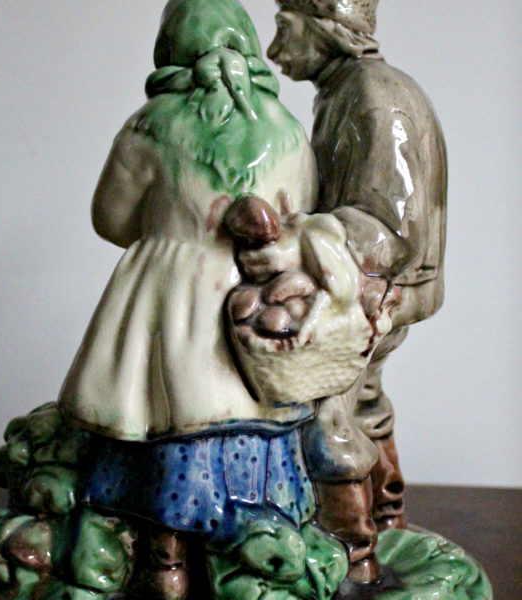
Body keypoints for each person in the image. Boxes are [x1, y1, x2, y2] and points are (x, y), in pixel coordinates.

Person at [58, 1, 325, 597]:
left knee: (153, 416)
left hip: (162, 295)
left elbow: (111, 218)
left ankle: (166, 564)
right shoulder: (285, 128)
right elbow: (304, 213)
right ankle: (244, 555)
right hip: (253, 299)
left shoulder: (149, 126)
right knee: (247, 420)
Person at [267, 0, 447, 584]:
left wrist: (293, 237)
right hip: (382, 287)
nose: (274, 50)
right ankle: (388, 516)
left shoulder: (373, 97)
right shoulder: (349, 90)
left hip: (383, 292)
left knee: (322, 408)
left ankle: (353, 556)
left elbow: (389, 229)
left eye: (285, 28)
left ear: (327, 28)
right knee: (363, 400)